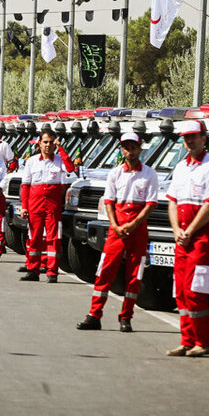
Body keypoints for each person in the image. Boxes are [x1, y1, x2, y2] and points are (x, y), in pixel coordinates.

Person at [77, 132, 157, 331]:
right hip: (116, 230)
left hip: (137, 231)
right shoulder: (115, 173)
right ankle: (94, 315)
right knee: (104, 271)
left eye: (133, 147)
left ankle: (126, 317)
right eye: (126, 147)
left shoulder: (149, 174)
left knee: (134, 275)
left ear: (140, 149)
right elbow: (109, 202)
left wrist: (134, 224)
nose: (129, 151)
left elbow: (150, 204)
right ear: (122, 150)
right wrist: (115, 225)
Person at [165, 120, 209, 357]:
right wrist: (176, 231)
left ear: (204, 138)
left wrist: (190, 231)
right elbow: (172, 201)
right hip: (182, 239)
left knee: (195, 290)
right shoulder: (181, 167)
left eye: (194, 137)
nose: (189, 141)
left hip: (201, 239)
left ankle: (205, 340)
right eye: (186, 137)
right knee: (179, 289)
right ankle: (187, 340)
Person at [19, 128, 77, 282]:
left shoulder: (59, 161)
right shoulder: (31, 161)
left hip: (53, 206)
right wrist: (24, 206)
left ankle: (52, 272)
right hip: (35, 205)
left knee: (54, 238)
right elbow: (25, 186)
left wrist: (61, 149)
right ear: (40, 143)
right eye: (45, 142)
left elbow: (70, 168)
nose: (48, 145)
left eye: (51, 142)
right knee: (34, 238)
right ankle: (33, 270)